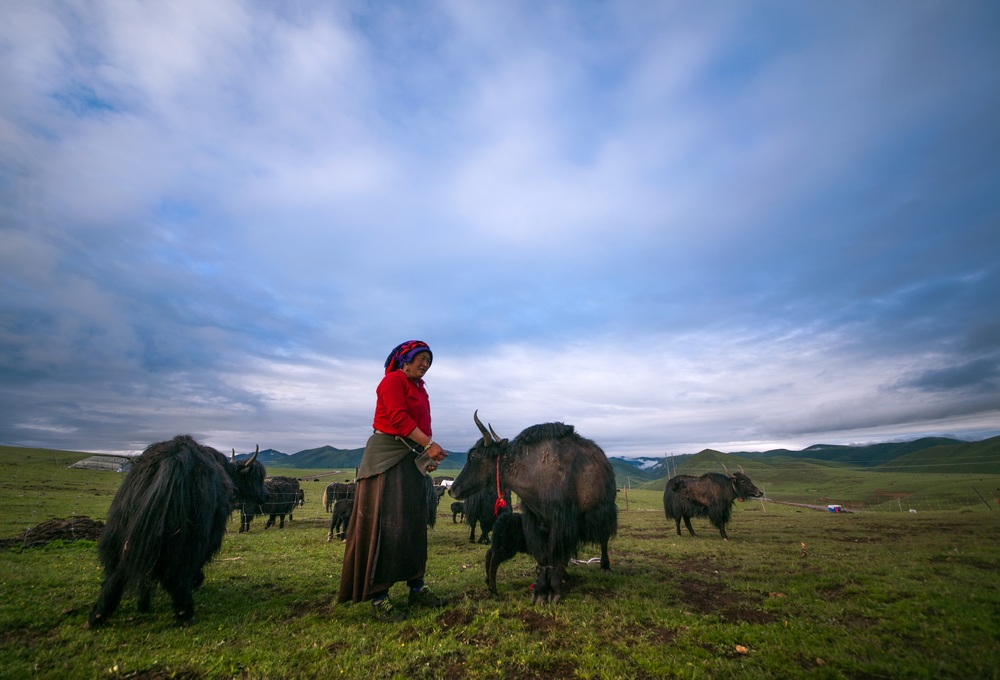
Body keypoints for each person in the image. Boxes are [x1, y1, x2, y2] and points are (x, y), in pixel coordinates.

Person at [337, 340, 449, 620]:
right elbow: (398, 419)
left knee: (413, 523)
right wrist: (429, 445)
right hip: (386, 457)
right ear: (405, 360)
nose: (425, 364)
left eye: (429, 360)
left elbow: (421, 425)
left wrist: (427, 456)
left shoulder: (421, 389)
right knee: (386, 524)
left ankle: (416, 587)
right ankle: (379, 597)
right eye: (421, 358)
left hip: (410, 458)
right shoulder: (391, 382)